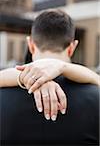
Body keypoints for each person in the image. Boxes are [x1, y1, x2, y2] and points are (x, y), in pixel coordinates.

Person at [0, 9, 99, 145]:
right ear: (72, 47)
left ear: (30, 45)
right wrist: (63, 67)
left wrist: (23, 77)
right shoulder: (96, 97)